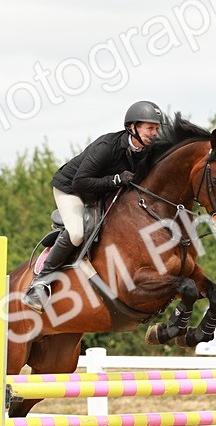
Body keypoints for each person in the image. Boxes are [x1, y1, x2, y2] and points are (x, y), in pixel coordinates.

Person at [21, 100, 164, 312]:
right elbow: (80, 182)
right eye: (150, 128)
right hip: (72, 189)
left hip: (101, 194)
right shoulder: (107, 147)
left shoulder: (147, 152)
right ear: (133, 127)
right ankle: (40, 283)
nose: (155, 133)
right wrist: (116, 179)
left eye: (157, 129)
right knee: (77, 232)